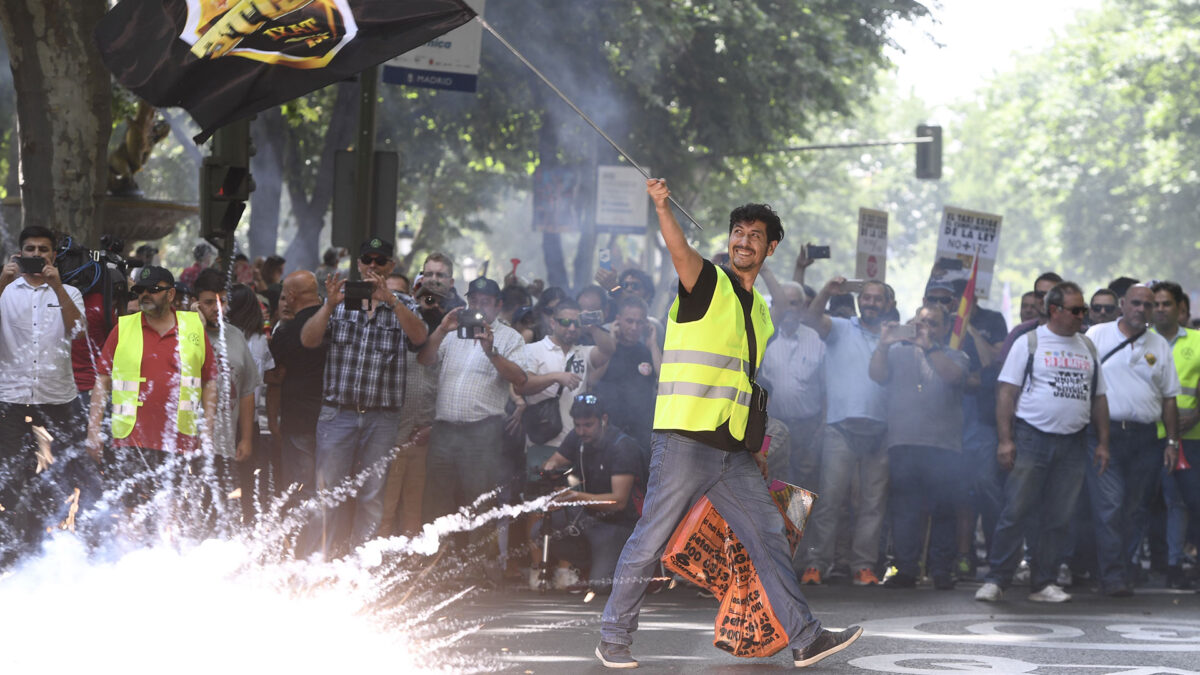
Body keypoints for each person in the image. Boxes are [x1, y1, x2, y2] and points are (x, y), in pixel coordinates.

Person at [596, 179, 860, 670]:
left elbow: (746, 383)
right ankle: (613, 637)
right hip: (683, 440)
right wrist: (661, 206)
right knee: (650, 538)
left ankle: (805, 638)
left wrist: (755, 447)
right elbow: (679, 249)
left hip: (733, 452)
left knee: (768, 535)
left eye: (754, 235)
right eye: (737, 232)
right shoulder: (706, 281)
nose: (743, 241)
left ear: (770, 247)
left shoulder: (760, 310)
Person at [976, 281, 1110, 603]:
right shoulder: (1030, 343)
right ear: (1055, 310)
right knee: (1017, 509)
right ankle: (997, 579)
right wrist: (1005, 440)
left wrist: (1103, 442)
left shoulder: (1088, 347)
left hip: (1074, 443)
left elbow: (1100, 398)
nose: (1083, 316)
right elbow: (1006, 392)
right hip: (1031, 437)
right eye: (1077, 310)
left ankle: (1043, 582)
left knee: (1059, 515)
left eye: (1084, 310)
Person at [299, 238, 428, 557]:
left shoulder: (404, 304)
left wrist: (392, 301)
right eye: (367, 260)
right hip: (338, 413)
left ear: (390, 267)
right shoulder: (339, 301)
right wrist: (327, 305)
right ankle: (320, 564)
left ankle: (361, 568)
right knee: (328, 494)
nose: (373, 266)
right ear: (358, 264)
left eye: (380, 261)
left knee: (373, 495)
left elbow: (420, 338)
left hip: (382, 417)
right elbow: (308, 340)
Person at [418, 276, 529, 572]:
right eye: (473, 300)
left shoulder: (509, 338)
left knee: (478, 501)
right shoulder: (452, 332)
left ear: (498, 305)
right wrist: (441, 329)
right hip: (444, 429)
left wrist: (490, 350)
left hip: (483, 431)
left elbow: (520, 379)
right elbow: (425, 360)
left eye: (484, 302)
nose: (477, 307)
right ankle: (436, 566)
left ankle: (478, 569)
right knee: (436, 500)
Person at [87, 266, 219, 506]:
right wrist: (93, 429)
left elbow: (209, 380)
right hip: (129, 437)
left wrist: (207, 429)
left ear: (171, 295)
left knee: (172, 511)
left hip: (180, 436)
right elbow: (102, 380)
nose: (145, 295)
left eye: (153, 290)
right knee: (128, 511)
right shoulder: (123, 328)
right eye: (140, 291)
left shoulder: (194, 328)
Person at [0, 226, 88, 564]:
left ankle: (47, 546)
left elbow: (78, 332)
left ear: (54, 255)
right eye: (30, 249)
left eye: (43, 250)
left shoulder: (69, 292)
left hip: (57, 399)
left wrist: (55, 286)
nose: (37, 255)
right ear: (20, 254)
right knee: (9, 475)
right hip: (11, 398)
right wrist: (1, 282)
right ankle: (11, 547)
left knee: (59, 476)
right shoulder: (6, 290)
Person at [1084, 283, 1179, 596]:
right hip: (1105, 435)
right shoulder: (1097, 335)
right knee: (1109, 505)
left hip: (1146, 439)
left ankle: (1122, 569)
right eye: (1136, 303)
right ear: (1122, 304)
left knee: (1135, 509)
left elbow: (1169, 399)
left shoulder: (1160, 345)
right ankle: (1111, 575)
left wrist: (1171, 443)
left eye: (1147, 305)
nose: (1141, 310)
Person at [797, 277, 889, 587]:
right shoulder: (840, 327)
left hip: (880, 430)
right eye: (867, 298)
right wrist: (825, 291)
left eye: (878, 299)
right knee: (830, 500)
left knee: (872, 504)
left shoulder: (895, 337)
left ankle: (863, 567)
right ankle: (816, 564)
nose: (871, 303)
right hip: (841, 428)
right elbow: (808, 318)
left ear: (889, 305)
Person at [869, 305, 969, 589]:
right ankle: (907, 569)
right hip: (904, 442)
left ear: (945, 328)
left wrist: (929, 347)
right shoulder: (897, 353)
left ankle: (941, 571)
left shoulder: (955, 355)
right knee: (905, 510)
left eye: (933, 324)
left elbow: (952, 376)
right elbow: (876, 374)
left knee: (943, 510)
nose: (926, 328)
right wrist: (884, 344)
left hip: (943, 447)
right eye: (921, 322)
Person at [541, 394, 642, 592]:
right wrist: (551, 467)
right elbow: (553, 461)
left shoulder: (622, 447)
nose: (581, 430)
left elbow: (618, 502)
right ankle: (588, 563)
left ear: (603, 419)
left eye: (588, 425)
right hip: (587, 516)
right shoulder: (577, 437)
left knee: (600, 586)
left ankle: (620, 564)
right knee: (541, 531)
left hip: (619, 523)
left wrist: (575, 497)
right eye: (577, 425)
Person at [1151, 281, 1200, 589]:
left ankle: (1181, 564)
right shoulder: (1143, 342)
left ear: (1180, 308)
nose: (1160, 309)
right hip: (1149, 435)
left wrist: (1195, 415)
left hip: (1192, 437)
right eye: (1155, 304)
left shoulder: (1197, 340)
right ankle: (1166, 564)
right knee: (1157, 504)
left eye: (1166, 304)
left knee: (1187, 502)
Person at [267, 270, 326, 517]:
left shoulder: (287, 331)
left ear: (291, 295)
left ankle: (298, 548)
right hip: (333, 422)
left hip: (298, 420)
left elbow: (276, 376)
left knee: (300, 490)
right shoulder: (333, 322)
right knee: (326, 491)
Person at [759, 280, 825, 490]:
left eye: (794, 303)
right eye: (784, 303)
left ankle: (794, 524)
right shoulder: (763, 339)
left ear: (803, 307)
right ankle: (776, 524)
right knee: (771, 480)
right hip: (771, 428)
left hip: (807, 428)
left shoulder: (817, 340)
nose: (788, 309)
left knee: (801, 488)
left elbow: (827, 389)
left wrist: (820, 428)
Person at [592, 295, 661, 462]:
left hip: (641, 431)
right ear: (618, 320)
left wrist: (653, 344)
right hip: (609, 428)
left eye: (639, 322)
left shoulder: (647, 351)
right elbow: (592, 380)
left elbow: (664, 379)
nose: (634, 327)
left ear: (646, 324)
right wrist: (611, 343)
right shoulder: (605, 350)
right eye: (629, 321)